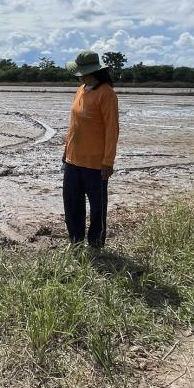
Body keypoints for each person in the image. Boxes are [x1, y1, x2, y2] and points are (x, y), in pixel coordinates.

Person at [62, 51, 120, 250]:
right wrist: (65, 150)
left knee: (97, 208)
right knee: (72, 204)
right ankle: (75, 243)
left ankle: (96, 245)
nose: (79, 76)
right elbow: (73, 125)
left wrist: (108, 162)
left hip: (96, 164)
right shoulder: (81, 89)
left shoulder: (106, 93)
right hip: (72, 160)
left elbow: (112, 129)